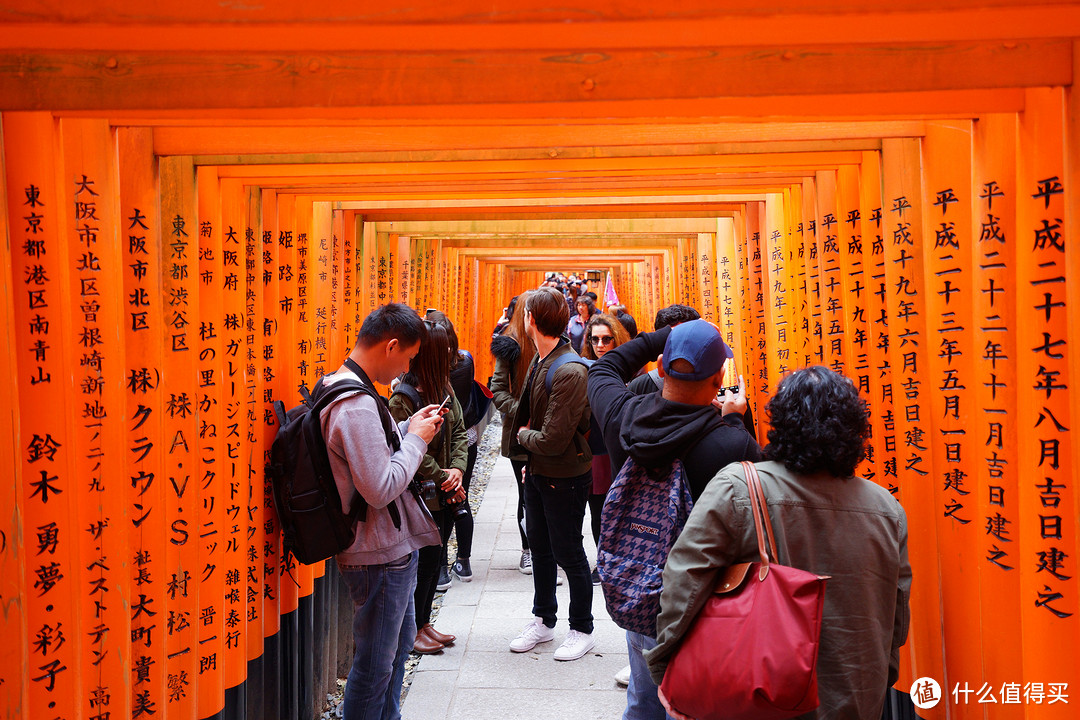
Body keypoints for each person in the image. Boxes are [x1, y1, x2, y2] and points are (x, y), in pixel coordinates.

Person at [646, 366, 912, 720]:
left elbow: (684, 582)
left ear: (781, 423)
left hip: (757, 697)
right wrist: (878, 678)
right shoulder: (887, 510)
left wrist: (667, 670)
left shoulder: (737, 487)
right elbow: (896, 615)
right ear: (853, 432)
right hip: (855, 698)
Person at [587, 318, 763, 720]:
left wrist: (666, 337)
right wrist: (736, 419)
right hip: (704, 603)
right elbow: (760, 492)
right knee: (692, 706)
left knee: (643, 696)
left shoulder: (621, 415)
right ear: (719, 378)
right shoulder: (730, 442)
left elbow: (603, 368)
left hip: (640, 587)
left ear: (661, 367)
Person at [323, 303, 445, 720]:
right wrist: (417, 442)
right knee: (376, 664)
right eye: (408, 358)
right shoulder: (355, 404)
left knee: (392, 653)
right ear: (391, 345)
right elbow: (379, 488)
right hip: (377, 554)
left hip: (387, 549)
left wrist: (411, 429)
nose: (406, 369)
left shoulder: (345, 384)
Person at [508, 286, 595, 662]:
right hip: (539, 470)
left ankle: (582, 628)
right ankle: (544, 619)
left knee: (569, 552)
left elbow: (555, 438)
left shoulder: (570, 369)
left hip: (566, 474)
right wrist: (530, 456)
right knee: (540, 549)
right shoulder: (539, 359)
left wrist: (522, 436)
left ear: (531, 319)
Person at [387, 319, 468, 655]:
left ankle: (423, 623)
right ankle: (413, 629)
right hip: (420, 497)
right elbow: (407, 446)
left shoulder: (445, 389)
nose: (453, 354)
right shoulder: (403, 398)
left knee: (436, 560)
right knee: (420, 565)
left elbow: (461, 433)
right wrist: (442, 474)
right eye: (446, 349)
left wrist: (458, 470)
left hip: (443, 493)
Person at [427, 310, 478, 584]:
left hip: (441, 450)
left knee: (439, 506)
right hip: (466, 441)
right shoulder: (465, 361)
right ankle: (464, 562)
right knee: (460, 498)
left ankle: (442, 568)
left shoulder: (432, 376)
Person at [579, 313, 630, 584]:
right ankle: (603, 560)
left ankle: (620, 559)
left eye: (606, 339)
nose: (600, 344)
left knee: (622, 509)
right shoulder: (583, 370)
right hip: (594, 449)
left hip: (622, 450)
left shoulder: (631, 372)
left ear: (616, 340)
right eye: (595, 339)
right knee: (598, 510)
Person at [490, 290, 537, 574]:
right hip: (520, 433)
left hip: (550, 432)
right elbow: (497, 388)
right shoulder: (509, 344)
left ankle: (547, 548)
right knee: (526, 491)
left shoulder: (557, 343)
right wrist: (523, 411)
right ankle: (529, 549)